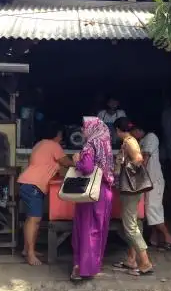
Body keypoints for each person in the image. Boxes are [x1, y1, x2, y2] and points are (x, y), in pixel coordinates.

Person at [18, 122, 73, 266]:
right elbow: (66, 162)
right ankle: (30, 255)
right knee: (34, 220)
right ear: (57, 135)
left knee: (31, 219)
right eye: (61, 134)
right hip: (33, 185)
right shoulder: (53, 145)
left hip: (28, 183)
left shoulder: (40, 144)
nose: (62, 137)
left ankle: (27, 249)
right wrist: (81, 162)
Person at [71, 117, 114, 281]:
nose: (82, 131)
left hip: (90, 192)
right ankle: (93, 266)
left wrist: (77, 162)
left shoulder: (90, 145)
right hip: (105, 191)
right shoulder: (106, 145)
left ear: (92, 128)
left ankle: (81, 268)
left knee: (86, 229)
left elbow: (88, 168)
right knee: (98, 229)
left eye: (84, 127)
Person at [112, 117, 154, 276]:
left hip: (130, 189)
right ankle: (131, 259)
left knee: (130, 226)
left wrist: (124, 167)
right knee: (134, 222)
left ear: (117, 130)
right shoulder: (129, 140)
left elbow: (138, 159)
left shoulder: (130, 142)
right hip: (131, 190)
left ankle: (145, 262)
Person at [130, 124, 171, 250]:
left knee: (153, 209)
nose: (132, 135)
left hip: (154, 181)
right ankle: (154, 238)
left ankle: (168, 238)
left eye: (133, 131)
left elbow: (145, 159)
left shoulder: (151, 137)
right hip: (148, 181)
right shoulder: (142, 141)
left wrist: (133, 171)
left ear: (139, 129)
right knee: (149, 209)